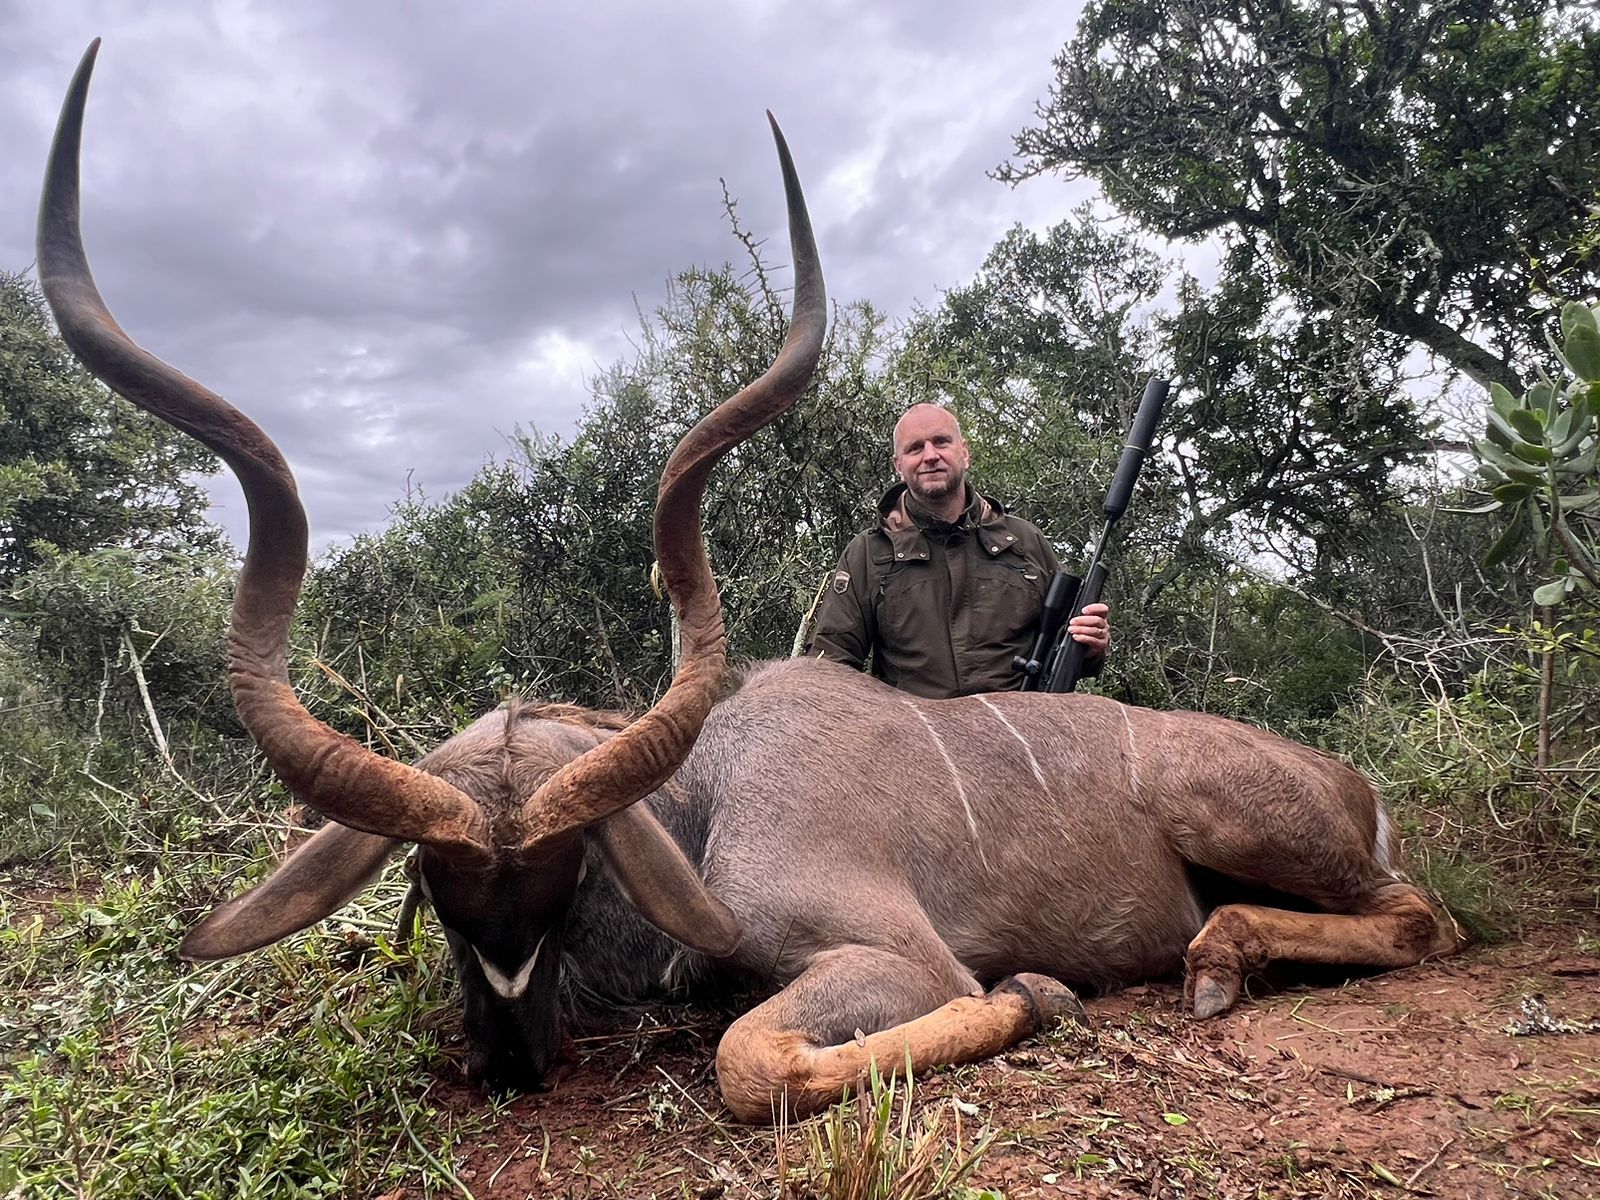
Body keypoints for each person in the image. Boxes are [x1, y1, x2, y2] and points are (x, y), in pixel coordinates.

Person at [807, 404, 1111, 699]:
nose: (930, 456)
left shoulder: (1024, 541)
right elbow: (831, 665)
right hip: (915, 730)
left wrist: (1091, 645)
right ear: (898, 466)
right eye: (915, 448)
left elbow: (1065, 649)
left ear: (964, 452)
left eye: (941, 442)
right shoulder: (868, 553)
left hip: (1020, 725)